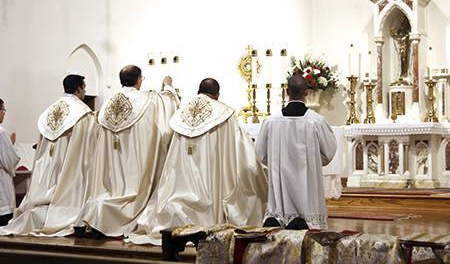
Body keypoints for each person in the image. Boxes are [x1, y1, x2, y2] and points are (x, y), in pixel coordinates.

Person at [127, 78, 268, 245]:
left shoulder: (181, 112)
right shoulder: (224, 113)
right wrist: (260, 171)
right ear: (217, 95)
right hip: (210, 188)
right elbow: (243, 153)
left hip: (177, 186)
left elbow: (166, 139)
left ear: (198, 92)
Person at [75, 65, 179, 238]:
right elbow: (167, 102)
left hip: (112, 162)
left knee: (112, 187)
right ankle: (121, 214)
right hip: (135, 162)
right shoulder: (148, 99)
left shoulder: (108, 102)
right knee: (134, 185)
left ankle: (100, 216)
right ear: (139, 80)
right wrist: (168, 86)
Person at [0, 75, 98, 236]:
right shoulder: (83, 113)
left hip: (49, 167)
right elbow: (88, 146)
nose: (84, 91)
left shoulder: (48, 112)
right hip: (70, 169)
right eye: (84, 88)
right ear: (79, 88)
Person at [255, 74, 336, 230]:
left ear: (287, 92)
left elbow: (261, 153)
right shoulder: (316, 121)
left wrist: (275, 161)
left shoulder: (271, 121)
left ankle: (278, 220)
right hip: (308, 183)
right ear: (307, 93)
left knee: (278, 215)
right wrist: (312, 161)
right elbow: (329, 152)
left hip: (280, 182)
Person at [0, 99, 20, 226]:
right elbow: (9, 161)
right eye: (3, 110)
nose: (4, 113)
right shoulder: (1, 133)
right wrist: (12, 145)